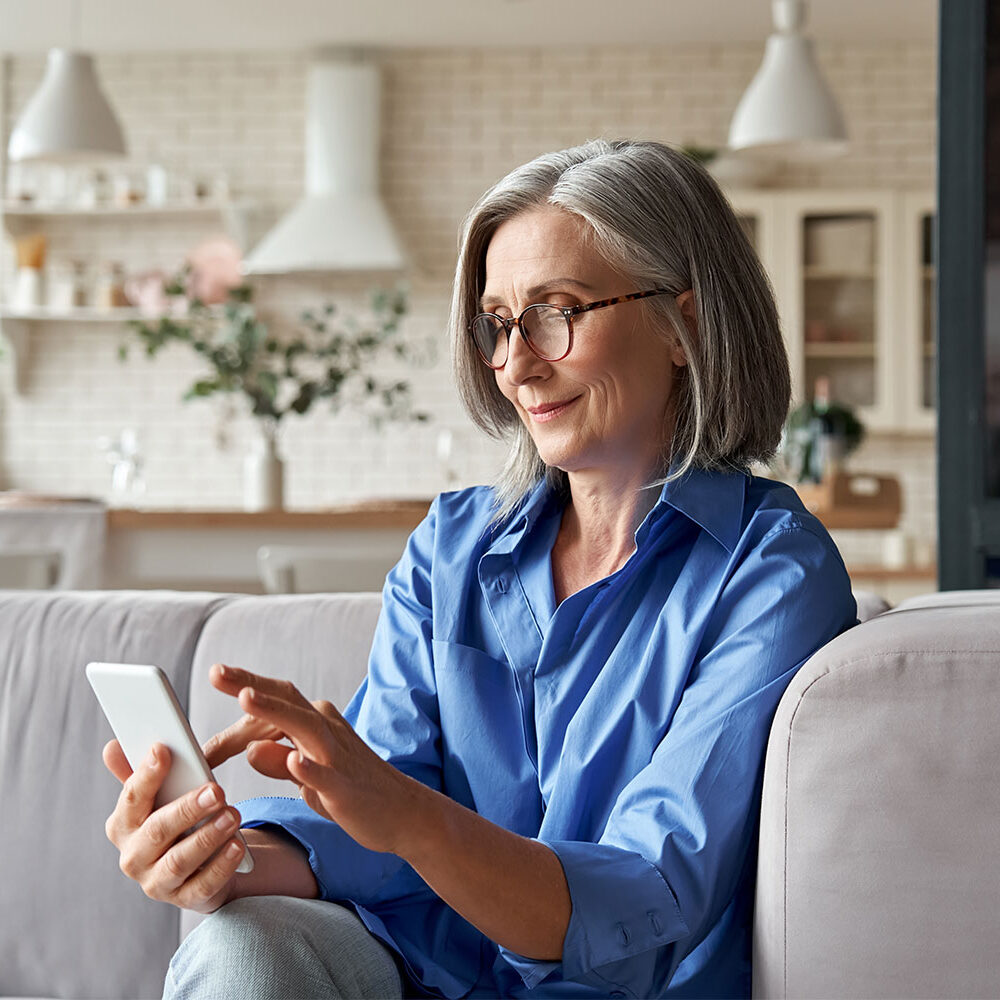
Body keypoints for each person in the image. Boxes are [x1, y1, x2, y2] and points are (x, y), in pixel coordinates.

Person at [102, 139, 857, 999]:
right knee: (240, 943)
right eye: (499, 323)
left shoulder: (769, 572)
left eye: (556, 311)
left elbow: (648, 900)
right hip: (422, 977)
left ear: (682, 325)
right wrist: (218, 858)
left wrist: (405, 818)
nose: (516, 363)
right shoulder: (452, 546)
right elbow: (377, 825)